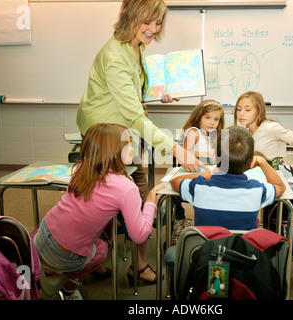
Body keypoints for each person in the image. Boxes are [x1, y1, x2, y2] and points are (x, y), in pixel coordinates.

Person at [76, 0, 205, 284]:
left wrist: (156, 95)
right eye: (148, 21)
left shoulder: (137, 46)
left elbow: (133, 99)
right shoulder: (115, 55)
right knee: (102, 196)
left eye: (158, 23)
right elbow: (134, 116)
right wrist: (175, 149)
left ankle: (128, 261)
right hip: (103, 135)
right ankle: (96, 260)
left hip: (122, 132)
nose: (154, 29)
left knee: (130, 189)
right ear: (131, 17)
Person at [34, 123, 166, 299]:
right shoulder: (127, 188)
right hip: (64, 256)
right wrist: (150, 201)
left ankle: (48, 270)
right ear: (111, 152)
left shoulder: (81, 168)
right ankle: (68, 281)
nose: (132, 150)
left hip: (41, 235)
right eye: (127, 145)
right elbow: (140, 235)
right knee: (102, 248)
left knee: (103, 230)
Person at [164, 125, 286, 275]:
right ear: (250, 163)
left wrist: (207, 175)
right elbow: (280, 186)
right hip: (241, 257)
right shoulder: (256, 191)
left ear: (214, 156)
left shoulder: (199, 188)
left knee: (171, 255)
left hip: (204, 256)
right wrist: (261, 161)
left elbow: (175, 181)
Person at [172, 99, 225, 218]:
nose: (212, 122)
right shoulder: (194, 132)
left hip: (208, 170)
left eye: (216, 119)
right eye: (207, 117)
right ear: (199, 116)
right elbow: (187, 154)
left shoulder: (213, 134)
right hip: (193, 170)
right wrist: (208, 154)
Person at [234, 91, 293, 174]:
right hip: (256, 177)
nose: (241, 113)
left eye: (247, 110)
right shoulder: (243, 132)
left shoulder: (270, 127)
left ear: (259, 110)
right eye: (238, 109)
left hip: (275, 178)